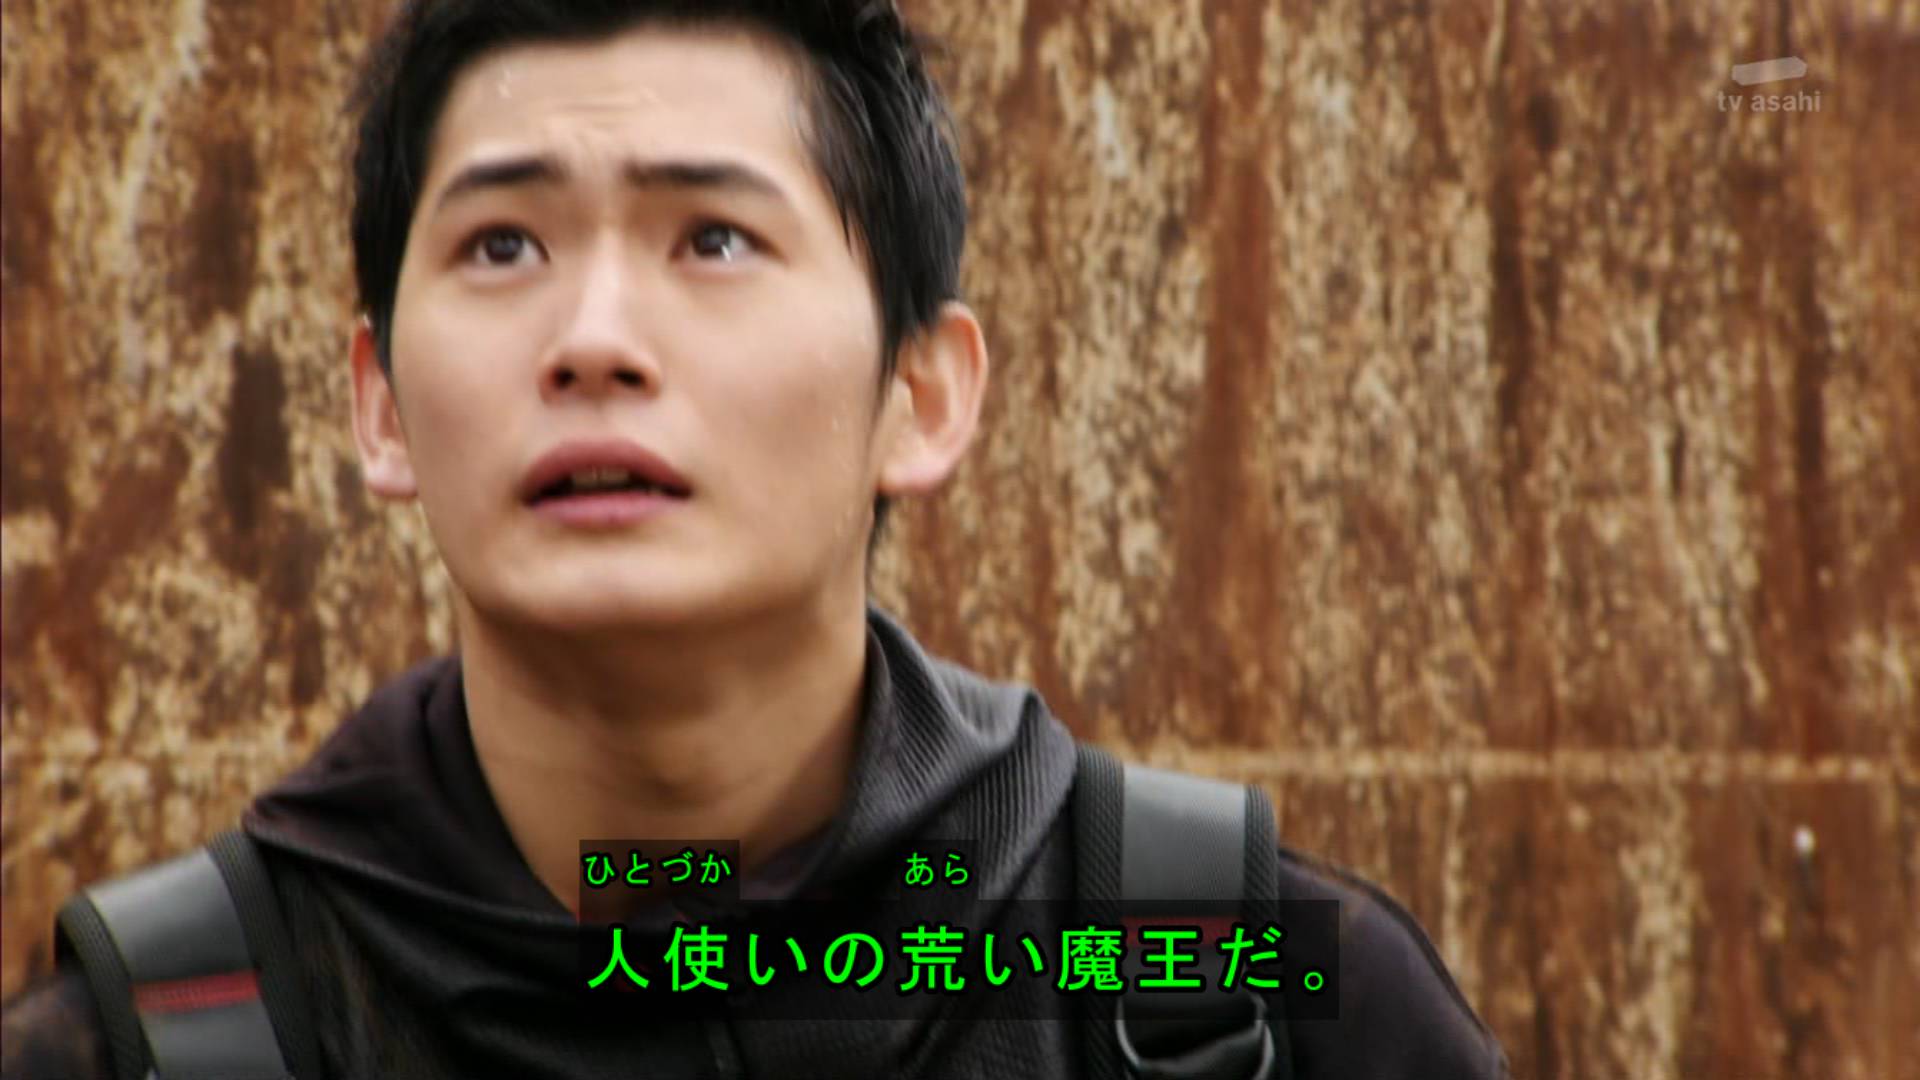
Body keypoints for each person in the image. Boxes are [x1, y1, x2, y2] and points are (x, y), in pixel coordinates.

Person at [1, 2, 1507, 1077]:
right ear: (380, 403)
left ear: (921, 393)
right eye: (503, 244)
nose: (594, 339)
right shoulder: (151, 1038)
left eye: (712, 239)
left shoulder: (1243, 988)